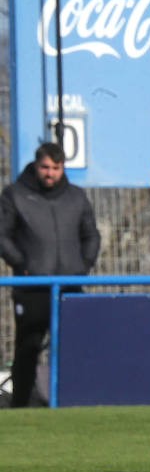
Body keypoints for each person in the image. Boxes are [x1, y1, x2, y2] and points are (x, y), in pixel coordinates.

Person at [0, 142, 100, 407]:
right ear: (36, 166)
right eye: (45, 167)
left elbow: (91, 235)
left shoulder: (76, 196)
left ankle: (75, 403)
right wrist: (22, 265)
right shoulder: (15, 195)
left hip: (70, 287)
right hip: (32, 288)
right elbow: (3, 235)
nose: (50, 173)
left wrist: (83, 266)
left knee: (76, 347)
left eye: (56, 168)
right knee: (28, 348)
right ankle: (20, 406)